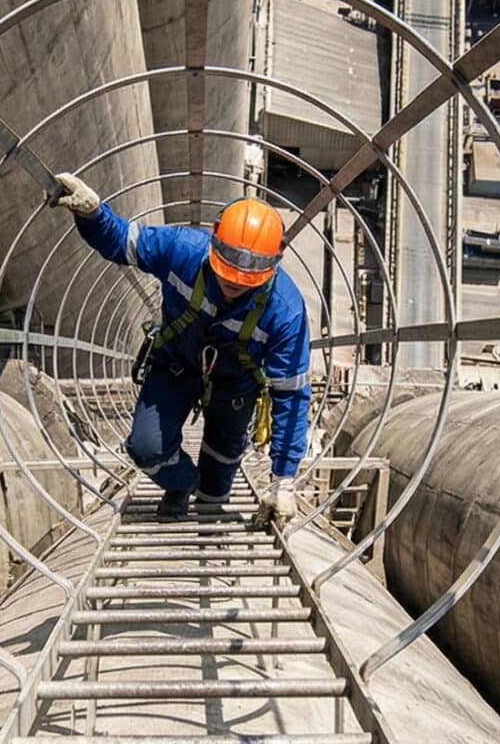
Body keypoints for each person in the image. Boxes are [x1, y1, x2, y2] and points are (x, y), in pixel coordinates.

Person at [49, 172, 312, 526]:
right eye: (227, 271)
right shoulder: (182, 250)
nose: (233, 282)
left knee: (217, 485)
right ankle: (181, 484)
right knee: (146, 448)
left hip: (236, 386)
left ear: (274, 263)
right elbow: (122, 241)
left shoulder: (285, 310)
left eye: (245, 277)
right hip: (176, 365)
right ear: (213, 241)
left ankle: (206, 501)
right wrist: (93, 214)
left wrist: (283, 479)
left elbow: (291, 396)